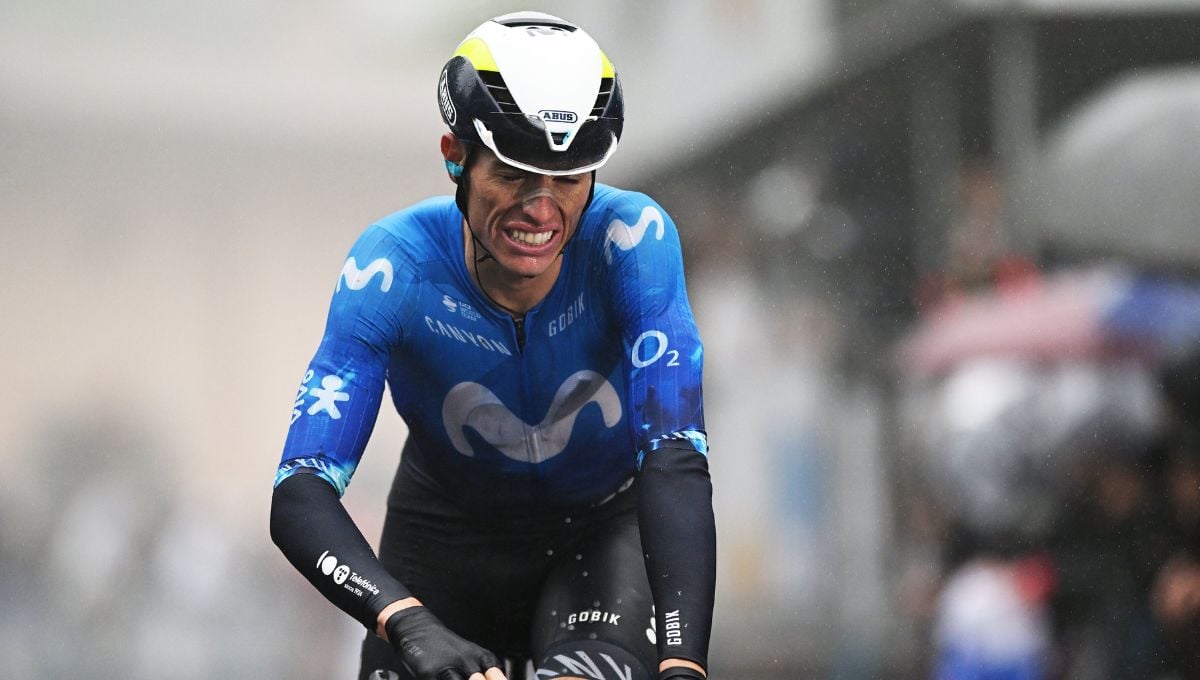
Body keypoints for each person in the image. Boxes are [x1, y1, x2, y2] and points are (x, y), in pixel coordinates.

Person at [269, 11, 715, 680]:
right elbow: (300, 492)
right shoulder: (392, 267)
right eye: (513, 173)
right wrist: (405, 620)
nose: (541, 209)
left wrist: (683, 664)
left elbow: (675, 458)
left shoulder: (632, 243)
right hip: (445, 542)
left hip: (597, 538)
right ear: (455, 155)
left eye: (569, 177)